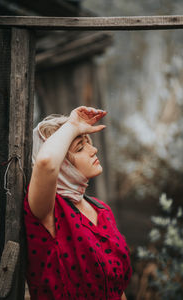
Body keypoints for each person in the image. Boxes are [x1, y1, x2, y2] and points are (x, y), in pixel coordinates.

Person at [24, 106, 132, 300]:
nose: (94, 150)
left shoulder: (102, 210)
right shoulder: (48, 212)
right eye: (80, 147)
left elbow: (117, 289)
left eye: (88, 143)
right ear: (62, 166)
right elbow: (46, 162)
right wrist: (72, 125)